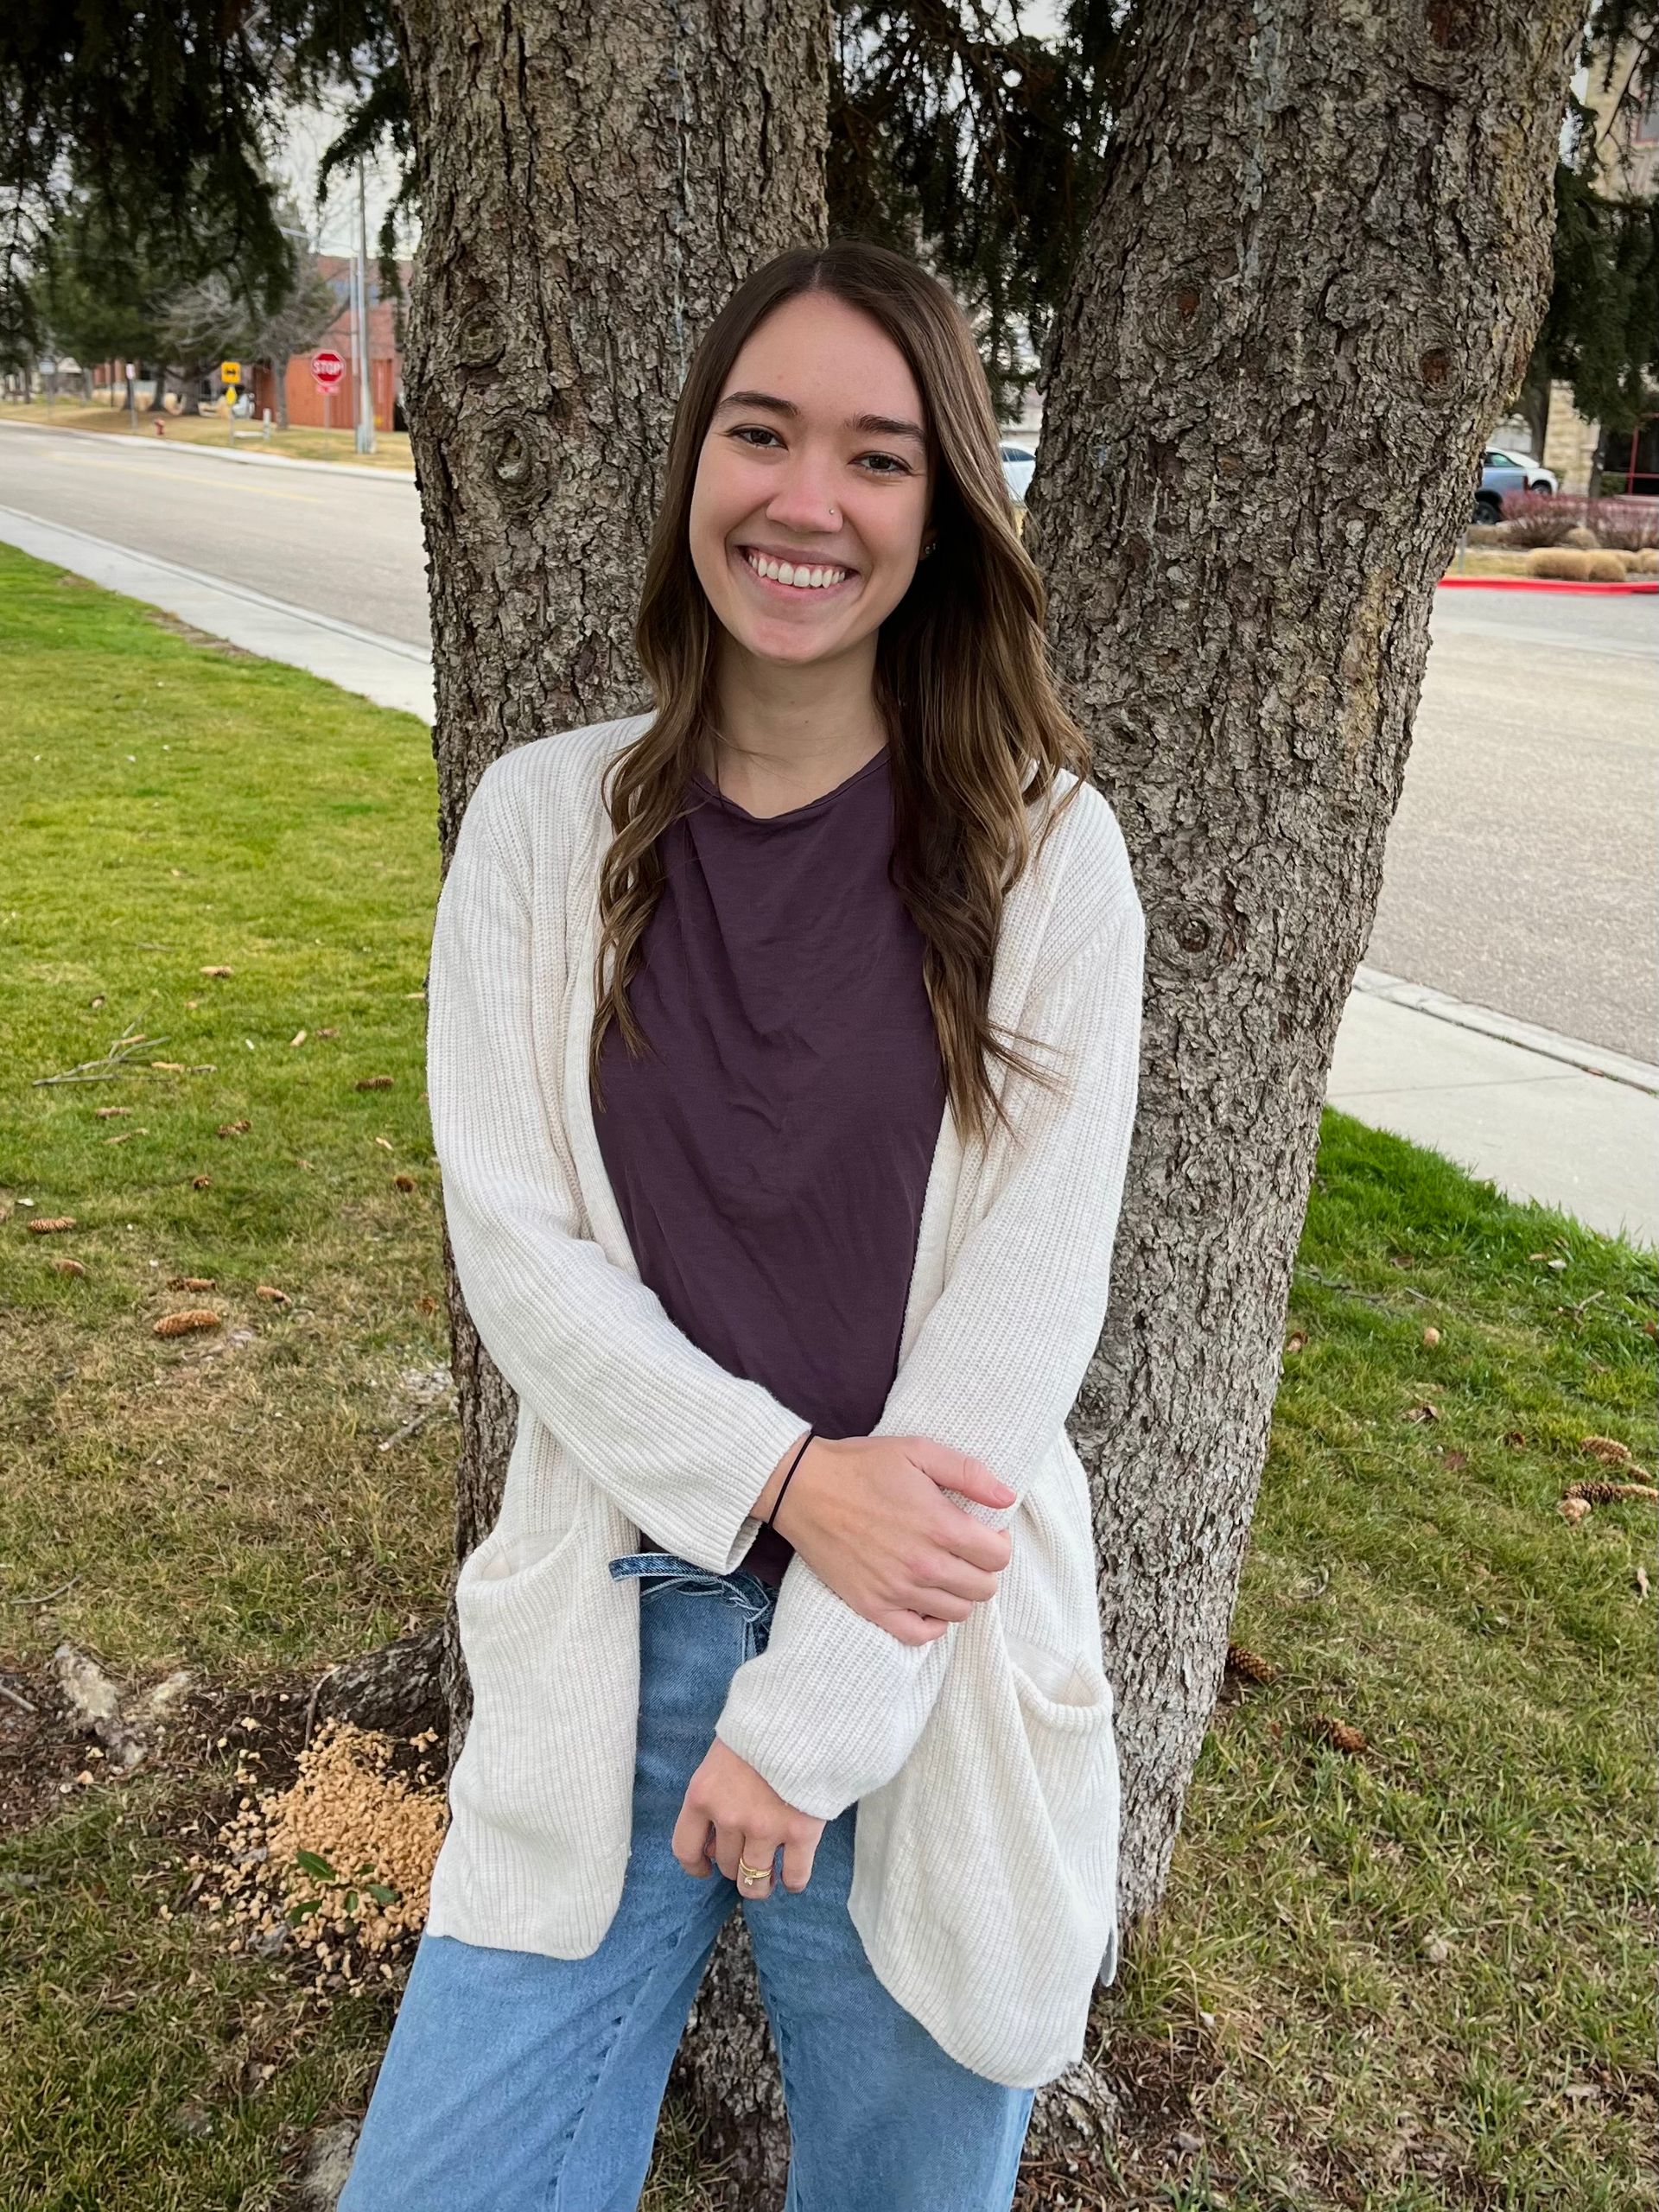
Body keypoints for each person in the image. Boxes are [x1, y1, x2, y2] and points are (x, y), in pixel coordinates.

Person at [339, 238, 1145, 2212]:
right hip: (610, 1645)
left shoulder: (1047, 856)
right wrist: (784, 1473)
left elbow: (1017, 1325)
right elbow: (520, 1254)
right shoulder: (541, 828)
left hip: (920, 1676)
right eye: (761, 433)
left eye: (879, 457)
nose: (808, 499)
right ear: (694, 464)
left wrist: (817, 1712)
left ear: (943, 509)